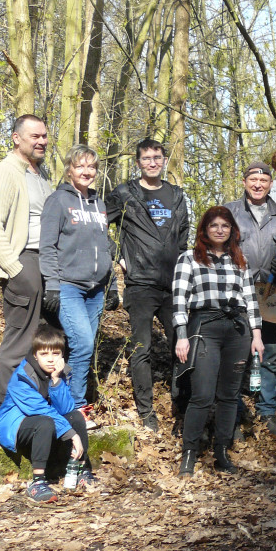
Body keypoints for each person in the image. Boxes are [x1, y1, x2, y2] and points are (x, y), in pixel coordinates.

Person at [106, 138, 190, 434]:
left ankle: (183, 406)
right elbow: (101, 226)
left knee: (183, 346)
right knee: (141, 349)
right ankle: (146, 413)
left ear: (165, 160)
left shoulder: (177, 196)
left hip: (172, 286)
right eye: (146, 158)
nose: (153, 162)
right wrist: (118, 257)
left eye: (157, 157)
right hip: (140, 284)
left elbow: (183, 239)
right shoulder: (125, 193)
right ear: (138, 162)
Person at [173, 207, 265, 477]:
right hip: (204, 329)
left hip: (237, 331)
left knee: (229, 395)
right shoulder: (189, 259)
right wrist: (181, 336)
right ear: (204, 229)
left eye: (225, 225)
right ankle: (189, 454)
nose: (220, 230)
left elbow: (251, 300)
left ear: (232, 230)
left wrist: (256, 335)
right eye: (214, 225)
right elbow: (179, 300)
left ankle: (222, 452)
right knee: (201, 394)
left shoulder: (240, 259)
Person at [0, 114, 54, 404]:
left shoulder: (41, 175)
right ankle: (5, 405)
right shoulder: (6, 172)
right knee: (20, 338)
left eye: (45, 136)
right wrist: (15, 268)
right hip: (23, 261)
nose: (42, 141)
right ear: (16, 138)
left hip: (46, 263)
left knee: (46, 341)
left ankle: (37, 402)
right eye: (35, 136)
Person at [39, 145, 118, 410]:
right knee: (83, 344)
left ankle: (61, 400)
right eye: (80, 166)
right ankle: (75, 406)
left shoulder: (99, 204)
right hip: (68, 285)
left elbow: (105, 246)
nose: (87, 172)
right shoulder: (59, 201)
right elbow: (47, 246)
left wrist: (113, 285)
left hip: (95, 290)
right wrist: (51, 284)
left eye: (92, 167)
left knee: (83, 349)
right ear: (70, 170)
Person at [0, 325, 97, 504]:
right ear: (35, 355)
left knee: (76, 416)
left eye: (55, 354)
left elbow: (66, 408)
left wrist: (56, 380)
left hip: (46, 422)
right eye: (44, 354)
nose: (50, 360)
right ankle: (37, 482)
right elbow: (40, 410)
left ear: (62, 355)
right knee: (45, 422)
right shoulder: (22, 376)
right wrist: (71, 434)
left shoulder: (59, 371)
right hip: (16, 425)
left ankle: (82, 471)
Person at [225, 160, 276, 437]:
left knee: (271, 352)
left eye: (264, 181)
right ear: (244, 182)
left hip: (271, 291)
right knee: (238, 350)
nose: (258, 185)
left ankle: (266, 408)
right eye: (253, 180)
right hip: (239, 290)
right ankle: (235, 408)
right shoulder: (230, 212)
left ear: (271, 184)